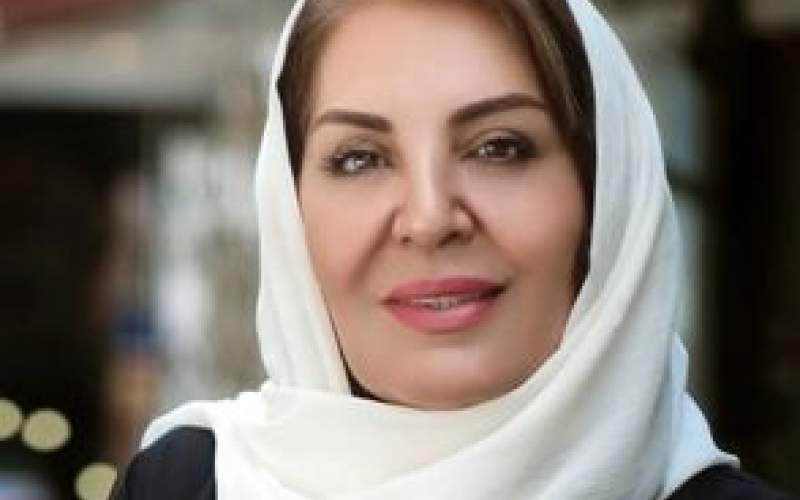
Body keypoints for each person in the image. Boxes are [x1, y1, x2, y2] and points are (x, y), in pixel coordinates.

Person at [112, 0, 796, 498]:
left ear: (604, 191)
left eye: (499, 147)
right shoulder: (190, 485)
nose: (430, 217)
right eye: (359, 158)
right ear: (290, 209)